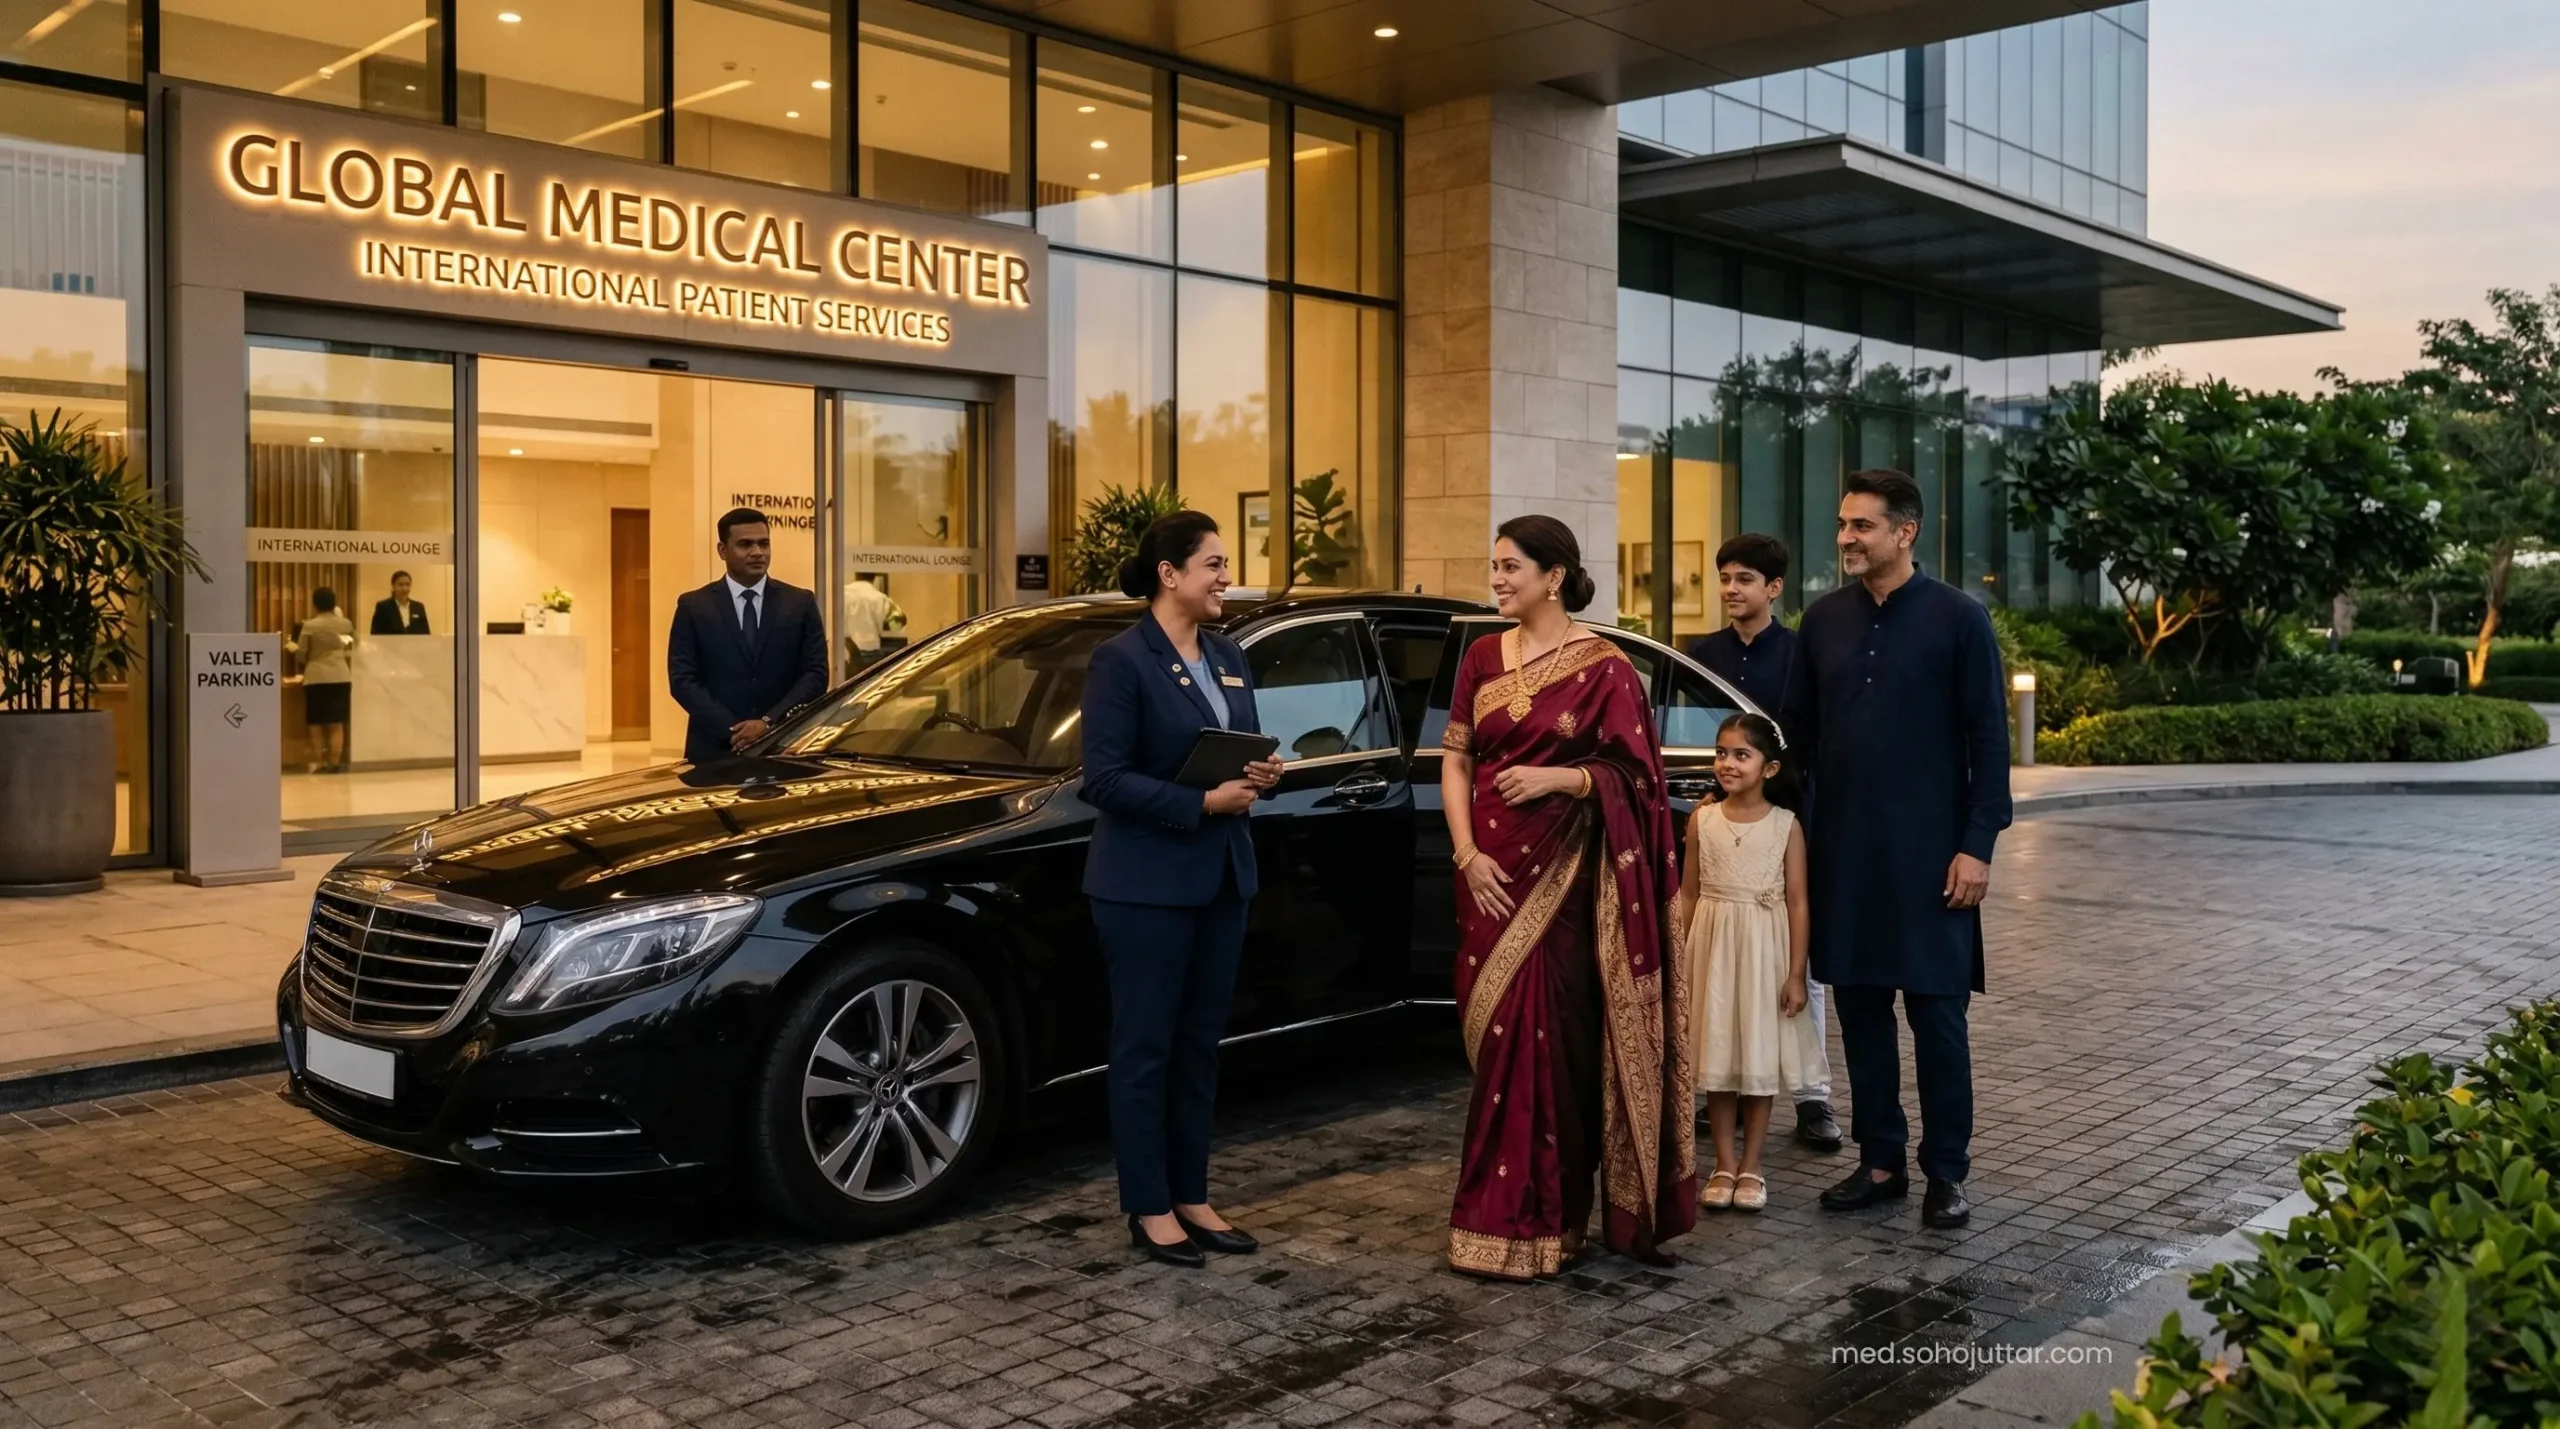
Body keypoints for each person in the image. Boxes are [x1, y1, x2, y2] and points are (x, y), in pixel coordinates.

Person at [1440, 514, 1696, 1280]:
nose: (1497, 580)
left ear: (1554, 576)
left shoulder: (1607, 667)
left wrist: (1563, 777)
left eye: (1511, 567)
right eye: (1494, 566)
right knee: (1497, 1051)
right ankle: (1490, 1218)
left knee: (1556, 1049)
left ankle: (1551, 1222)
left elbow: (1640, 781)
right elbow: (1456, 763)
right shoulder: (1481, 656)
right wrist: (1467, 853)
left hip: (1567, 885)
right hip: (1486, 878)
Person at [1780, 469, 2011, 1231]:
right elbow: (1797, 741)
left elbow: (1989, 742)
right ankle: (1880, 1161)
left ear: (1904, 532)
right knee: (1862, 1015)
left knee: (1938, 1022)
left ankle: (1947, 1171)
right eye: (1843, 523)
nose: (1845, 537)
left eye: (1861, 525)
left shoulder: (1958, 619)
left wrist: (1976, 846)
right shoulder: (1822, 621)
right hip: (1845, 858)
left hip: (1933, 863)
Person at [1080, 511, 1284, 1268]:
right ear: (1170, 574)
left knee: (1199, 1046)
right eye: (1214, 563)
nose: (1225, 576)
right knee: (1145, 1048)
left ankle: (1192, 1194)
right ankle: (1149, 1204)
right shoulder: (1120, 660)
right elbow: (1103, 778)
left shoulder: (1230, 654)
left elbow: (1243, 742)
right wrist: (1200, 803)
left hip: (1222, 878)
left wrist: (1264, 772)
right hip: (1144, 886)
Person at [1681, 533, 1841, 1155]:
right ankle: (1715, 1086)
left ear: (1774, 588)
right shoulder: (1701, 654)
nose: (1730, 589)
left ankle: (1812, 1098)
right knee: (1719, 961)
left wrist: (1801, 811)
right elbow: (1692, 737)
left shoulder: (1802, 654)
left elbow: (1813, 740)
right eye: (1724, 577)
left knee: (1800, 964)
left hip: (1788, 824)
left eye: (1744, 579)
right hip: (1723, 824)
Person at [1680, 712, 1818, 1215]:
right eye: (1721, 753)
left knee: (1757, 1060)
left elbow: (1799, 901)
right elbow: (1689, 893)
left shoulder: (1786, 826)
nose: (1728, 763)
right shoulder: (1702, 820)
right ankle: (1721, 1162)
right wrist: (1679, 953)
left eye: (1742, 754)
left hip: (1764, 950)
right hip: (1714, 948)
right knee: (1718, 1058)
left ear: (1770, 767)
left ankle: (1753, 1166)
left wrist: (1796, 972)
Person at [668, 507, 829, 763]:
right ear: (723, 550)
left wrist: (768, 724)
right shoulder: (694, 606)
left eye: (764, 544)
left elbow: (815, 675)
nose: (757, 552)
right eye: (745, 544)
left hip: (783, 747)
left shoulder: (800, 603)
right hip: (713, 749)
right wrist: (735, 730)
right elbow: (683, 680)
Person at [286, 587, 356, 773]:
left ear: (315, 604)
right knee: (337, 722)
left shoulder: (310, 626)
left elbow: (301, 654)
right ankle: (334, 762)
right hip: (341, 676)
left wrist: (290, 647)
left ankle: (320, 763)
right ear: (334, 603)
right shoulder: (346, 624)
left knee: (316, 721)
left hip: (316, 677)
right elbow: (353, 647)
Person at [841, 572, 907, 670]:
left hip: (847, 651)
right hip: (871, 651)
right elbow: (898, 623)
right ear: (874, 577)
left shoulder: (842, 594)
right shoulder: (881, 597)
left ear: (856, 575)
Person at [369, 570, 430, 635]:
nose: (405, 589)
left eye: (408, 584)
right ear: (393, 587)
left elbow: (426, 634)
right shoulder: (383, 607)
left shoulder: (419, 607)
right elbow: (375, 635)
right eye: (400, 585)